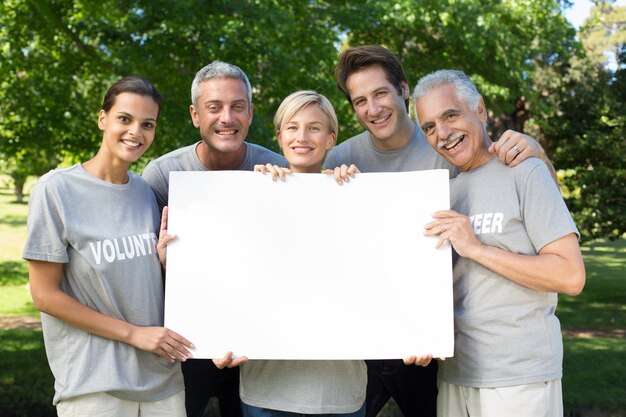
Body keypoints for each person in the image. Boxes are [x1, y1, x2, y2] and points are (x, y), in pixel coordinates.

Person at [326, 45, 553, 417]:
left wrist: (536, 150)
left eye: (381, 93)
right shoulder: (341, 159)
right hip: (366, 339)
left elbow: (511, 186)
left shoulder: (447, 146)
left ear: (402, 88)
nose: (373, 108)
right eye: (360, 100)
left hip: (433, 339)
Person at [413, 69, 585, 417]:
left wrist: (476, 248)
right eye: (429, 127)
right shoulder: (441, 193)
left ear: (480, 110)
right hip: (454, 374)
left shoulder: (525, 171)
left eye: (450, 115)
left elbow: (570, 276)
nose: (442, 133)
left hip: (519, 376)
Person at [23, 76, 194, 417]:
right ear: (103, 119)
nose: (136, 132)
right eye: (125, 119)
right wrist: (133, 334)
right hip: (95, 388)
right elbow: (44, 295)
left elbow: (142, 282)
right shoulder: (56, 190)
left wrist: (162, 261)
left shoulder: (145, 193)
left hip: (163, 382)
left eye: (148, 124)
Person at [142, 60, 286, 417]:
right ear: (194, 115)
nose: (227, 117)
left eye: (238, 107)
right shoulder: (162, 174)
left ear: (250, 114)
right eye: (214, 107)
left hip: (256, 341)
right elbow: (143, 272)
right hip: (188, 340)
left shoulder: (276, 170)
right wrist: (162, 264)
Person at [242, 90, 368, 417]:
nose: (302, 137)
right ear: (280, 137)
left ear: (330, 139)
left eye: (314, 128)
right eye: (292, 127)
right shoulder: (249, 195)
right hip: (266, 389)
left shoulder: (359, 197)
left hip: (339, 391)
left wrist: (352, 195)